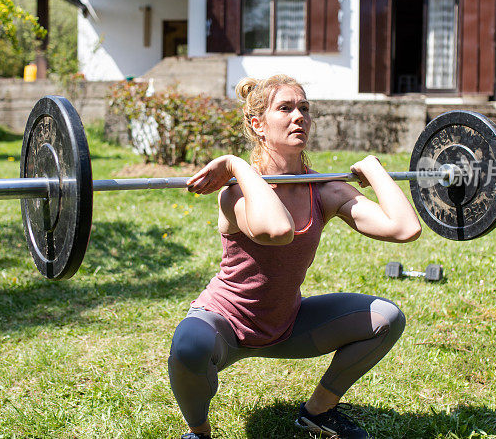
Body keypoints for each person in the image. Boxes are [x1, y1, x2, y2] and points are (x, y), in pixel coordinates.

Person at [168, 74, 421, 439]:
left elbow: (403, 228)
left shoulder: (324, 189)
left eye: (304, 108)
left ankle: (318, 412)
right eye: (285, 108)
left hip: (286, 324)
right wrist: (237, 166)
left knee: (386, 319)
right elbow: (276, 231)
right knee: (188, 346)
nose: (298, 116)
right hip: (224, 324)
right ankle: (198, 432)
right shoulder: (236, 192)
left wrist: (374, 170)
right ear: (258, 124)